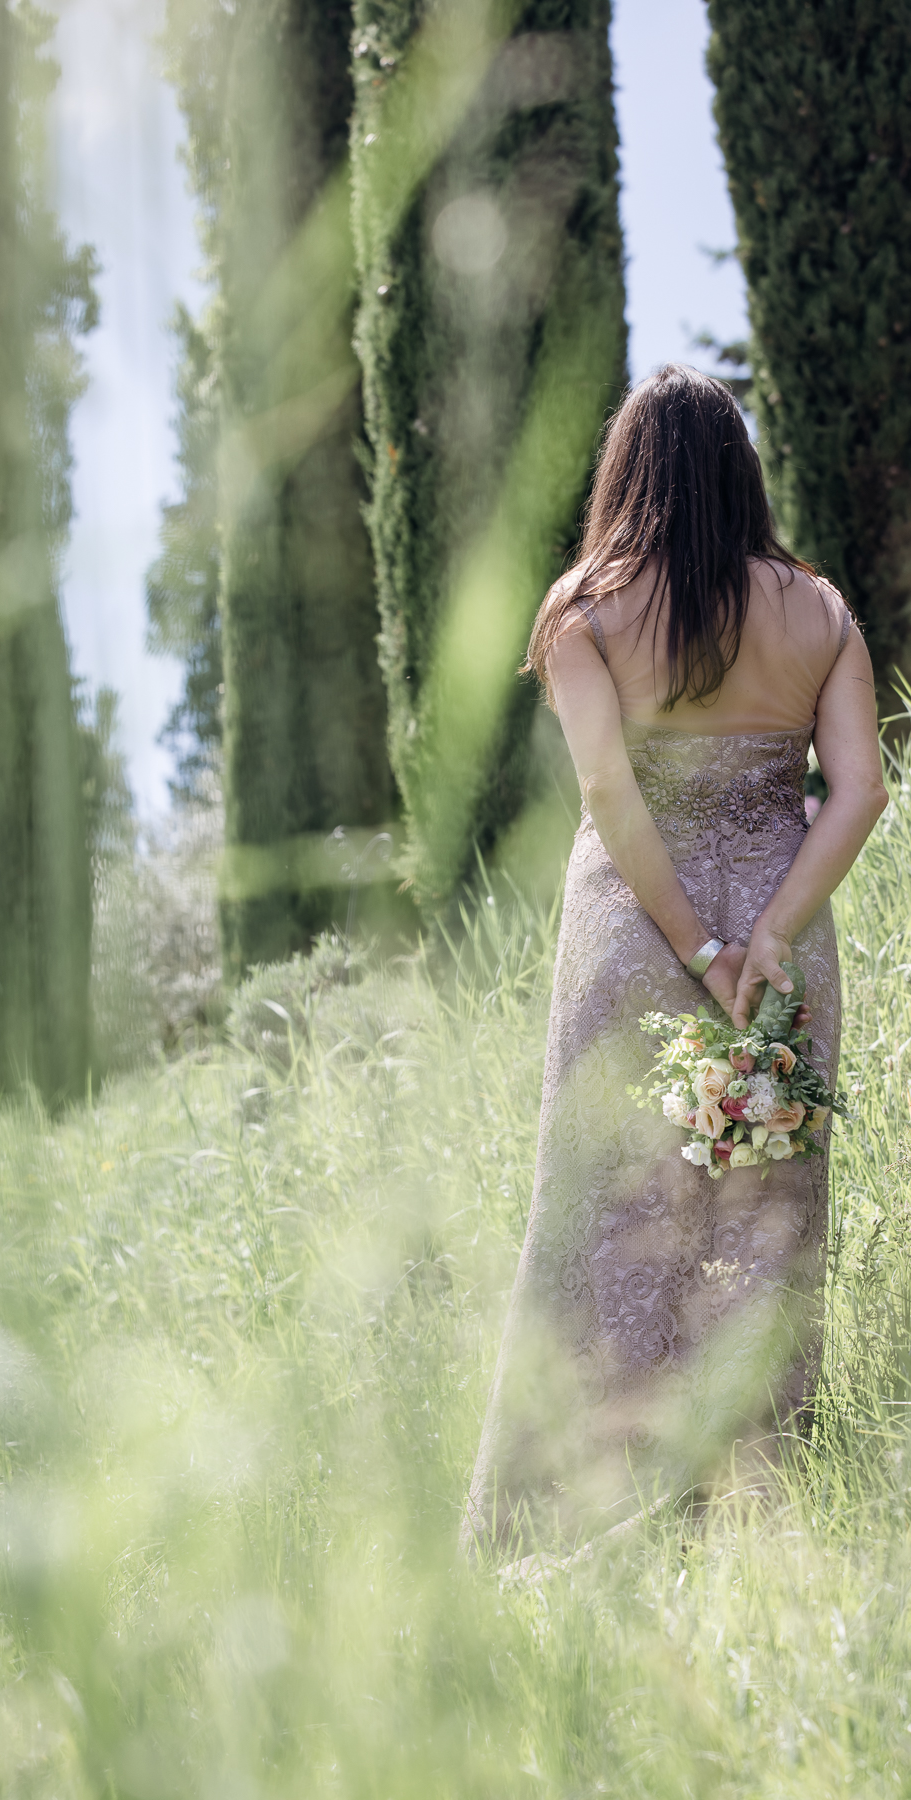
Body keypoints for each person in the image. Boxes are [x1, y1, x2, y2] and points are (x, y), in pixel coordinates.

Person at [462, 365, 887, 1557]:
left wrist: (694, 948)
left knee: (600, 1208)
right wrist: (766, 940)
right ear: (740, 471)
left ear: (626, 474)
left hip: (631, 935)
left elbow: (606, 789)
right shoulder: (819, 609)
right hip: (778, 935)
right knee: (763, 1211)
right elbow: (858, 790)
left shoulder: (582, 614)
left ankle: (563, 1515)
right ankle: (749, 1507)